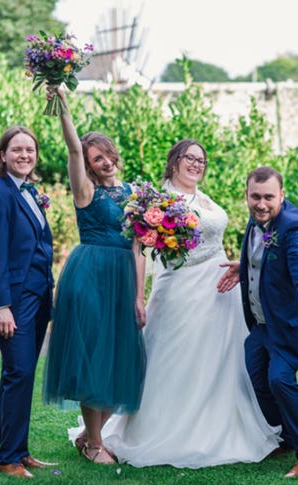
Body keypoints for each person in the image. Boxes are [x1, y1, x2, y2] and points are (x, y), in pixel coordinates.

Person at [95, 139, 280, 468]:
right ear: (175, 161)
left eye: (201, 159)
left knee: (221, 364)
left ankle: (220, 422)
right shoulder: (161, 200)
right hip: (181, 291)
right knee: (175, 363)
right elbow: (137, 249)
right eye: (189, 158)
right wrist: (138, 296)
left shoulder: (204, 198)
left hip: (220, 292)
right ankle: (172, 429)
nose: (196, 164)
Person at [41, 87, 147, 465]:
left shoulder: (135, 192)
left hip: (123, 279)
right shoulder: (85, 191)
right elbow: (72, 149)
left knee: (119, 357)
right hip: (90, 277)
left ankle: (90, 434)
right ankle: (96, 446)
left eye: (106, 155)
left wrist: (139, 296)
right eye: (95, 158)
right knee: (93, 357)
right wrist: (64, 107)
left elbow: (139, 247)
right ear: (87, 165)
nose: (104, 162)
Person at [219, 166, 298, 478]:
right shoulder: (257, 222)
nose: (261, 203)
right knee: (255, 376)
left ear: (282, 196)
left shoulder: (294, 228)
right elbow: (266, 258)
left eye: (269, 197)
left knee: (280, 378)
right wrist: (246, 266)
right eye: (256, 197)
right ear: (247, 195)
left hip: (292, 323)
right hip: (263, 324)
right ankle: (289, 437)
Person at [0, 126, 56, 479]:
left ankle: (21, 451)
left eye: (30, 150)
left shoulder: (31, 192)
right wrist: (0, 305)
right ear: (3, 155)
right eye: (17, 150)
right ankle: (7, 459)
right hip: (14, 301)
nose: (25, 155)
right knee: (17, 373)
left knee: (25, 376)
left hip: (38, 299)